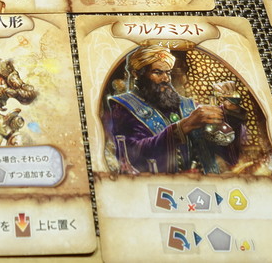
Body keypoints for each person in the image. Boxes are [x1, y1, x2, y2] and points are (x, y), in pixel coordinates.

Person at [104, 44, 245, 174]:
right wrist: (181, 128)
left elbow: (224, 148)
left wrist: (230, 111)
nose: (166, 79)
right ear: (137, 74)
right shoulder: (123, 106)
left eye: (168, 73)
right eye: (158, 72)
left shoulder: (187, 105)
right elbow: (132, 153)